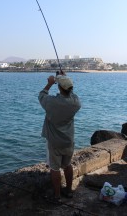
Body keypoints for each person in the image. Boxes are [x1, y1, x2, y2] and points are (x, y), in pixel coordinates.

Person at [38, 74, 81, 202]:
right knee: (67, 165)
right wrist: (65, 80)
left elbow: (41, 95)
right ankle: (69, 191)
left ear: (60, 88)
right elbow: (71, 93)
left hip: (54, 142)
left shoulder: (52, 102)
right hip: (68, 140)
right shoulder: (76, 103)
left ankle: (57, 195)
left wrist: (50, 83)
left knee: (55, 168)